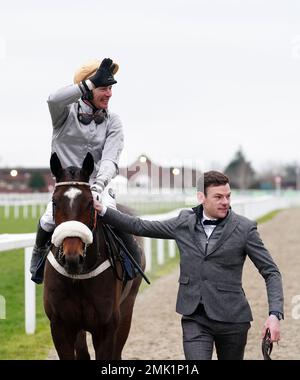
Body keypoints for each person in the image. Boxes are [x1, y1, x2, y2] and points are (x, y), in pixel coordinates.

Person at [95, 170, 284, 360]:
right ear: (201, 197)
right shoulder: (183, 222)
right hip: (195, 318)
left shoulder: (245, 229)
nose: (225, 202)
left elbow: (271, 272)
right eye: (218, 197)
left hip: (233, 321)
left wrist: (274, 315)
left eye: (228, 196)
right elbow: (139, 226)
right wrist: (102, 210)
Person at [30, 58, 142, 284]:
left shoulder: (114, 121)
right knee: (47, 220)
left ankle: (133, 262)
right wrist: (89, 84)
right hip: (66, 186)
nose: (109, 94)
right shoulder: (63, 114)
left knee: (113, 217)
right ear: (88, 89)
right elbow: (52, 98)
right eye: (103, 88)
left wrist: (98, 186)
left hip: (98, 184)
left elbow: (111, 159)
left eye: (110, 88)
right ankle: (38, 259)